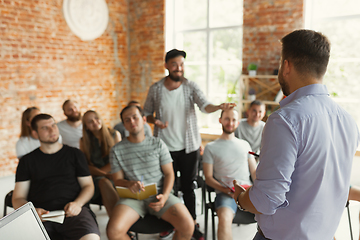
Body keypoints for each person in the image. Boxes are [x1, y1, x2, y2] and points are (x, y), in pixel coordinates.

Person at [233, 29, 360, 240]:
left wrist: (241, 198)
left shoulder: (284, 120)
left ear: (286, 66)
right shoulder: (348, 121)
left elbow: (266, 200)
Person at [143, 49, 235, 239]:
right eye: (175, 64)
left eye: (182, 64)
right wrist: (155, 121)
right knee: (168, 188)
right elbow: (146, 114)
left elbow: (204, 105)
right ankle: (171, 223)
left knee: (188, 188)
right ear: (166, 65)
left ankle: (192, 225)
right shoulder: (156, 88)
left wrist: (218, 107)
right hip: (164, 148)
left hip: (189, 148)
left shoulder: (190, 86)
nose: (179, 68)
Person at [107, 105, 194, 240]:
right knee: (113, 231)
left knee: (188, 225)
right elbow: (117, 180)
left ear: (143, 120)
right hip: (132, 198)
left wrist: (165, 196)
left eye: (135, 117)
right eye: (127, 120)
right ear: (123, 124)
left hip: (160, 195)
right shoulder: (116, 150)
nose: (132, 122)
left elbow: (169, 174)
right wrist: (129, 184)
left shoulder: (158, 144)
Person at [12, 113, 100, 240]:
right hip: (42, 216)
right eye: (44, 128)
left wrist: (77, 204)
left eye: (53, 125)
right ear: (35, 133)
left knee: (91, 238)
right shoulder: (27, 161)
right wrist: (32, 211)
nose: (52, 130)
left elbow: (88, 186)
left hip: (74, 212)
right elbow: (18, 198)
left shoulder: (75, 154)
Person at [202, 109, 256, 240]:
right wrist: (226, 190)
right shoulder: (210, 147)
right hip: (226, 194)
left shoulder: (245, 145)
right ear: (220, 120)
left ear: (237, 123)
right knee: (224, 220)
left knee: (276, 214)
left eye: (233, 120)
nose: (230, 123)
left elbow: (254, 173)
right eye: (227, 119)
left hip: (248, 193)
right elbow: (208, 178)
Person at [80, 110, 121, 216]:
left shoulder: (114, 134)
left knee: (109, 181)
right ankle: (116, 219)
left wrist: (108, 174)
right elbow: (86, 166)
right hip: (96, 177)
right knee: (103, 182)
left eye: (96, 118)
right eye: (90, 121)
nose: (94, 122)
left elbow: (118, 161)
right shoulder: (83, 141)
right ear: (86, 126)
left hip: (115, 173)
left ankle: (119, 220)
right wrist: (104, 174)